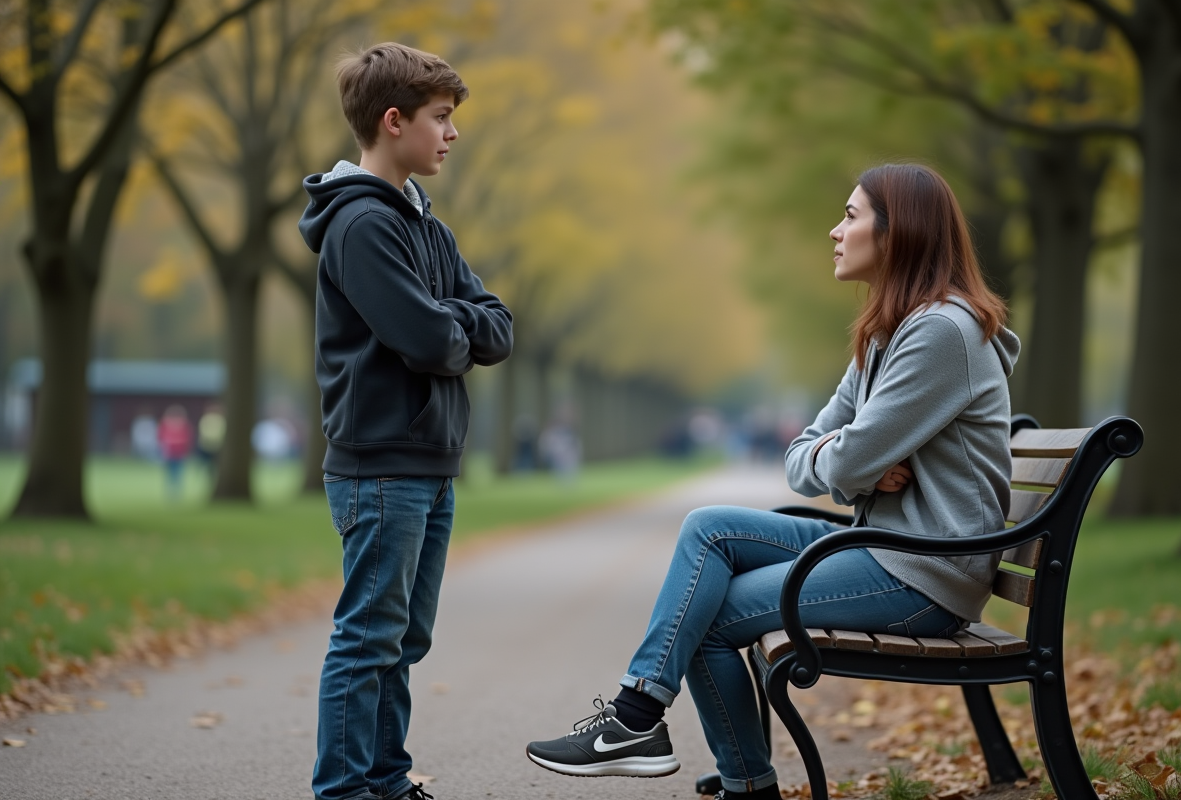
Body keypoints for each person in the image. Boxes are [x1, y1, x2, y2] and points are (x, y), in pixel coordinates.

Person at [526, 163, 1020, 799]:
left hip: (926, 574)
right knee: (708, 530)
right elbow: (805, 455)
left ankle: (670, 740)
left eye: (851, 215)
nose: (835, 231)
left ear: (898, 233)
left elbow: (839, 462)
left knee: (700, 614)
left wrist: (852, 464)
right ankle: (646, 725)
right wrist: (857, 466)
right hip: (887, 549)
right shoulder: (886, 334)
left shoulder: (940, 333)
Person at [298, 43, 513, 800]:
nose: (452, 134)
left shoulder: (427, 224)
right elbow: (432, 340)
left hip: (428, 464)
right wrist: (452, 326)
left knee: (403, 640)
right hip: (382, 466)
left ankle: (387, 781)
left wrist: (449, 324)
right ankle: (346, 789)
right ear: (394, 122)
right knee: (367, 638)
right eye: (442, 119)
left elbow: (498, 327)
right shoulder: (361, 225)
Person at [157, 405, 193, 501]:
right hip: (169, 452)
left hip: (179, 452)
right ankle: (170, 492)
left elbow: (187, 438)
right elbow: (161, 437)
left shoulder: (184, 424)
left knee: (178, 473)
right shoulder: (165, 423)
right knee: (170, 473)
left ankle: (177, 492)